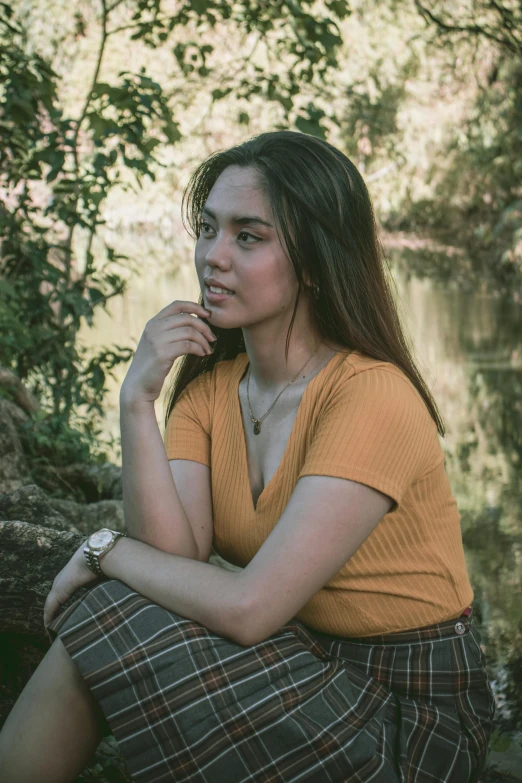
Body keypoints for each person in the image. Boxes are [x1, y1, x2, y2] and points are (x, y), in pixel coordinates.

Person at [0, 130, 495, 783]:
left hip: (408, 711)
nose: (213, 256)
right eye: (208, 229)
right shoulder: (208, 393)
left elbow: (250, 605)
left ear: (315, 260)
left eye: (248, 237)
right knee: (115, 609)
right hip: (305, 661)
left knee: (107, 607)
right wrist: (136, 399)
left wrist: (101, 547)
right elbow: (169, 563)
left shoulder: (372, 395)